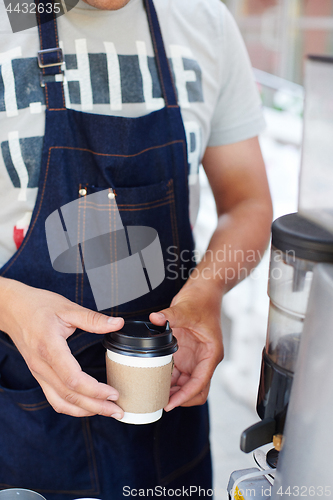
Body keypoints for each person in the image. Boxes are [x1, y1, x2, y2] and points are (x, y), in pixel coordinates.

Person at [0, 0, 273, 498]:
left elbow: (248, 202)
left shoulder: (203, 23)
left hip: (166, 418)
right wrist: (8, 305)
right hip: (21, 417)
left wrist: (207, 292)